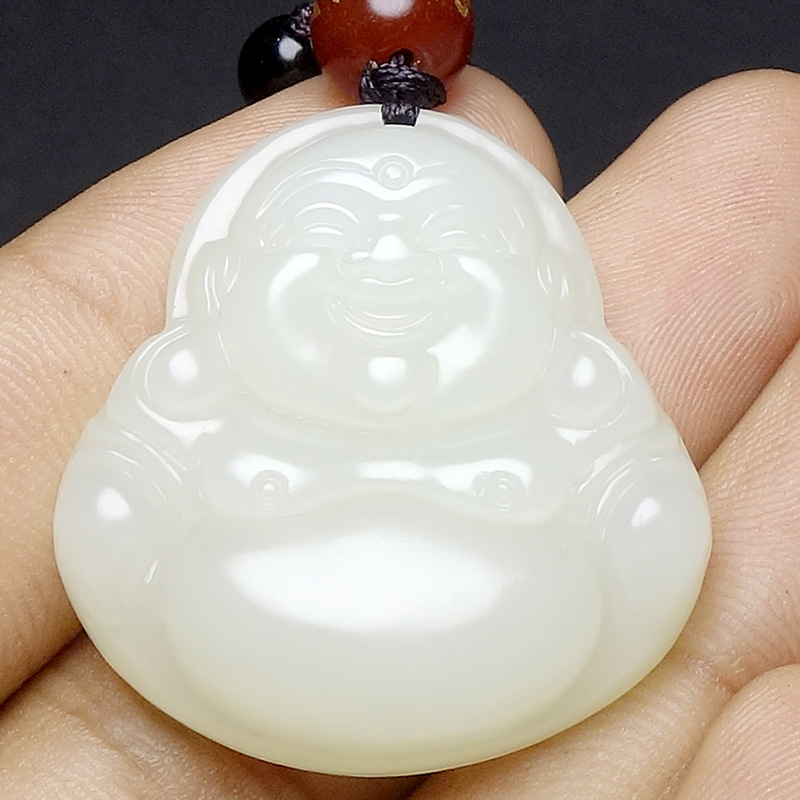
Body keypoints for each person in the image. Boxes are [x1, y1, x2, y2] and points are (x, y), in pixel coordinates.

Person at [1, 64, 799, 798]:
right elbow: (112, 512)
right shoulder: (193, 412)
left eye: (454, 236)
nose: (388, 260)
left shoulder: (572, 414)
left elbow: (651, 520)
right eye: (326, 231)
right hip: (228, 639)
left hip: (527, 645)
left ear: (550, 290)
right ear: (220, 286)